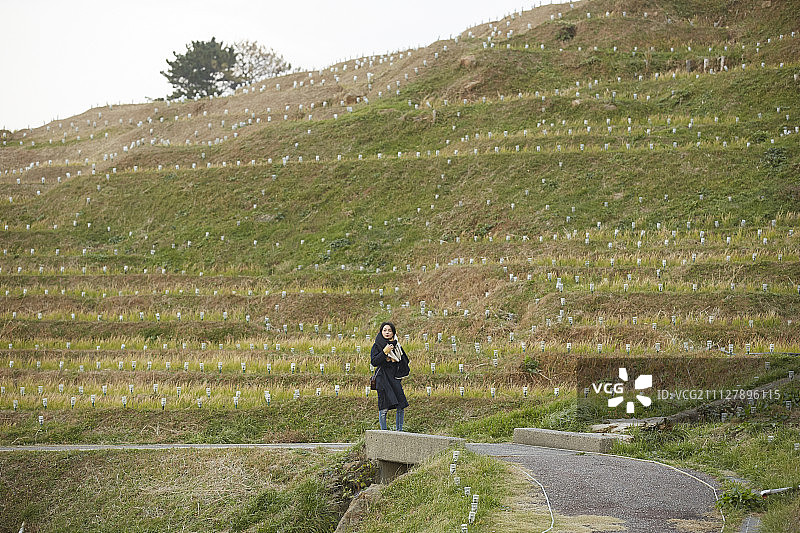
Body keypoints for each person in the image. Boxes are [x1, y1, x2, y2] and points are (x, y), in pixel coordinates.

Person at [370, 321, 410, 431]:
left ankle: (399, 431)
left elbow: (405, 361)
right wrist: (384, 353)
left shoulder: (397, 346)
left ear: (393, 333)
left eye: (389, 330)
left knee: (401, 405)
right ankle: (384, 432)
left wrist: (395, 360)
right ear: (381, 332)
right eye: (384, 330)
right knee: (383, 408)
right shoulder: (377, 345)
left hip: (394, 378)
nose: (387, 332)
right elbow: (374, 362)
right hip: (382, 378)